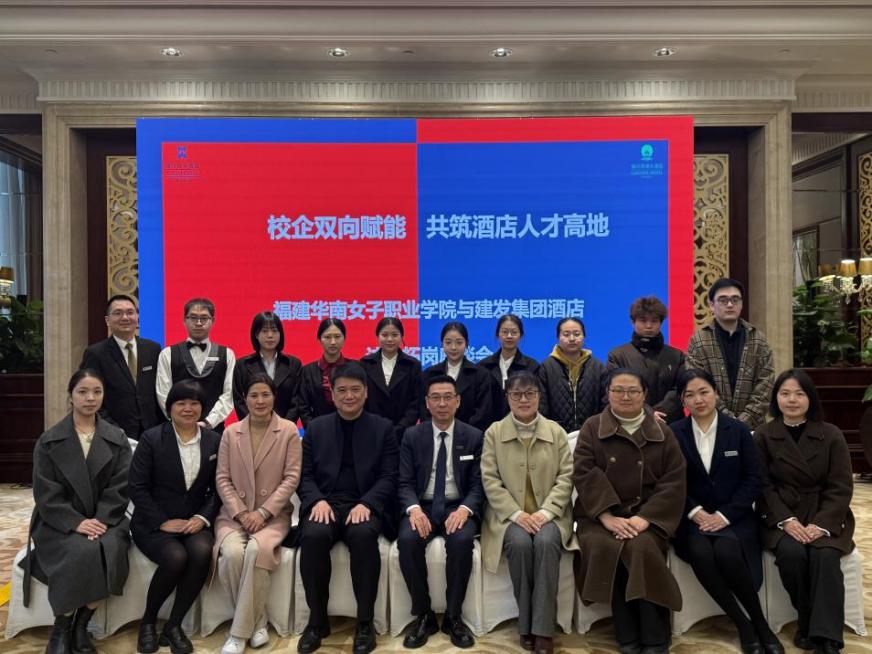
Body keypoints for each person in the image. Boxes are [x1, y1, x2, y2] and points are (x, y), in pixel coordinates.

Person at [669, 369, 783, 654]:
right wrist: (695, 512)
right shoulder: (673, 433)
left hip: (735, 516)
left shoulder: (739, 430)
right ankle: (745, 625)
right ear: (683, 400)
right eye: (690, 395)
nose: (698, 400)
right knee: (700, 551)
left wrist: (724, 515)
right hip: (691, 518)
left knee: (727, 550)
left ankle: (760, 624)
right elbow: (670, 481)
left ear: (716, 393)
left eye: (704, 392)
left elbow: (753, 479)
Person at [574, 368, 686, 654]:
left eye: (633, 391)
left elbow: (674, 480)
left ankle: (654, 634)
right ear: (608, 393)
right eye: (618, 390)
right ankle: (626, 633)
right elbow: (584, 473)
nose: (625, 396)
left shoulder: (662, 431)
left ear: (644, 394)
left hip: (648, 515)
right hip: (600, 515)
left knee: (640, 547)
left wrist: (645, 517)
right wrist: (607, 517)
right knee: (607, 546)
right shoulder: (592, 427)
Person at [23, 369, 132, 654]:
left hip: (107, 519)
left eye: (97, 391)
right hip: (58, 520)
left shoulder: (117, 438)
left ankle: (82, 625)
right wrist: (76, 522)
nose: (90, 398)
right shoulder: (49, 440)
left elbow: (121, 486)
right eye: (82, 391)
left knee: (109, 549)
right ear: (71, 396)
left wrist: (100, 519)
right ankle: (62, 626)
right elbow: (46, 493)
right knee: (78, 551)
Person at [296, 362, 398, 654]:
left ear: (366, 392)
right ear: (332, 393)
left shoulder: (383, 428)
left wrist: (368, 502)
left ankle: (364, 623)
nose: (349, 396)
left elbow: (389, 476)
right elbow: (304, 476)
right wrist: (316, 500)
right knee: (312, 536)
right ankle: (317, 622)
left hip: (363, 504)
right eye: (342, 390)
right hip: (325, 503)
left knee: (364, 536)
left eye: (355, 390)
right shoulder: (316, 429)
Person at [755, 369, 855, 654]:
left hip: (826, 512)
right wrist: (786, 520)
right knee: (792, 554)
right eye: (785, 393)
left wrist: (821, 524)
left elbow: (840, 487)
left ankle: (827, 638)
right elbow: (762, 487)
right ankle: (807, 620)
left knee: (825, 555)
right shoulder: (763, 435)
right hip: (781, 514)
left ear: (810, 398)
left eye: (799, 394)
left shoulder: (831, 434)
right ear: (776, 398)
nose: (792, 400)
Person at [480, 371, 578, 654]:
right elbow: (490, 479)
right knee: (520, 544)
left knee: (546, 542)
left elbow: (566, 477)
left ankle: (543, 630)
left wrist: (546, 512)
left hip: (551, 515)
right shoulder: (494, 432)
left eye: (529, 394)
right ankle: (526, 623)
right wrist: (516, 514)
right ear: (508, 398)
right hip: (508, 517)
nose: (523, 400)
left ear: (538, 396)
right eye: (516, 394)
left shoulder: (555, 432)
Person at [129, 379, 222, 654]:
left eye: (194, 403)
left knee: (202, 551)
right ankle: (148, 622)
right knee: (175, 557)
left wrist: (202, 518)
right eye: (181, 403)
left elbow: (219, 488)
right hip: (153, 523)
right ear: (170, 407)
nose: (188, 408)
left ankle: (174, 625)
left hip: (193, 521)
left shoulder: (214, 440)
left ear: (202, 408)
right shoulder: (151, 439)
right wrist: (162, 521)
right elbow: (137, 487)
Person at [213, 374, 302, 654]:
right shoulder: (231, 433)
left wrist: (263, 512)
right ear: (245, 400)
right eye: (254, 395)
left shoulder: (288, 430)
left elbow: (291, 478)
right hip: (234, 515)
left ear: (274, 397)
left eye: (265, 394)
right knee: (232, 554)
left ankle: (238, 634)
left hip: (273, 516)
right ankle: (257, 622)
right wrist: (241, 513)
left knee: (257, 551)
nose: (260, 401)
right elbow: (222, 478)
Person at [396, 374, 484, 649]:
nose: (442, 403)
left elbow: (479, 484)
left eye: (448, 397)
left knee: (461, 541)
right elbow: (404, 482)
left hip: (457, 505)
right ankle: (424, 615)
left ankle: (453, 617)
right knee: (408, 540)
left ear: (458, 401)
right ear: (427, 402)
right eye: (436, 397)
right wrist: (413, 509)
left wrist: (465, 509)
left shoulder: (474, 436)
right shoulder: (412, 436)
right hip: (422, 505)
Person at [686, 278, 774, 431]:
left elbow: (766, 385)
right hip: (710, 425)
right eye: (723, 300)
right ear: (711, 305)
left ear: (741, 304)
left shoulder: (758, 340)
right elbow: (698, 385)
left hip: (753, 427)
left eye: (735, 300)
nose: (729, 304)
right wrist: (728, 420)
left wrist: (744, 422)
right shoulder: (699, 341)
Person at [79, 293, 163, 439]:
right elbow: (89, 394)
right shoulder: (96, 353)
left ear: (137, 317)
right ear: (107, 320)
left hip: (152, 433)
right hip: (114, 434)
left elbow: (160, 390)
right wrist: (113, 430)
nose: (125, 318)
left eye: (130, 312)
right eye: (118, 313)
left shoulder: (153, 349)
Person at [156, 297, 236, 433]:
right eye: (193, 318)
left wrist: (208, 422)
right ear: (184, 320)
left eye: (204, 318)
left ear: (213, 321)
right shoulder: (167, 354)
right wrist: (180, 420)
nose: (198, 323)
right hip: (176, 430)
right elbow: (163, 393)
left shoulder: (227, 354)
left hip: (214, 430)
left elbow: (229, 395)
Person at [606, 296, 686, 423]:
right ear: (633, 322)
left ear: (661, 323)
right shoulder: (617, 356)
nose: (649, 326)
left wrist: (660, 411)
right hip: (631, 422)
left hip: (671, 422)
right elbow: (616, 390)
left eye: (654, 321)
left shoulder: (677, 355)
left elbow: (681, 389)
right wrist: (646, 413)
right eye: (643, 320)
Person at [421, 322, 494, 431]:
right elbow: (423, 409)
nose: (453, 347)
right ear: (442, 344)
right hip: (435, 435)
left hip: (470, 435)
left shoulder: (481, 375)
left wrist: (463, 432)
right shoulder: (429, 374)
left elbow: (483, 411)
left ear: (466, 344)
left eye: (459, 342)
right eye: (448, 342)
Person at [537, 317, 605, 434]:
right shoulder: (547, 366)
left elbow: (605, 402)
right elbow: (541, 405)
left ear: (584, 336)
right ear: (558, 337)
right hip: (556, 434)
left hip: (591, 434)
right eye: (566, 334)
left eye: (577, 334)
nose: (572, 338)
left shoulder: (597, 366)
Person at [232, 310, 302, 421]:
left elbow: (297, 399)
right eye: (264, 331)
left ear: (280, 334)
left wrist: (285, 426)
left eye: (274, 331)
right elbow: (238, 400)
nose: (270, 335)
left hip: (285, 427)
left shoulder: (293, 364)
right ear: (256, 334)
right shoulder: (243, 365)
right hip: (252, 426)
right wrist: (254, 424)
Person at [361, 317, 422, 444]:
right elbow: (361, 398)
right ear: (377, 337)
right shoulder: (365, 363)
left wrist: (401, 427)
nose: (389, 339)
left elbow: (416, 402)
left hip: (403, 434)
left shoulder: (412, 365)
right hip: (371, 431)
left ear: (402, 336)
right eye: (384, 335)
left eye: (394, 335)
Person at [478, 314, 540, 422]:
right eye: (505, 332)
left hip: (521, 423)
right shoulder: (484, 366)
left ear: (520, 335)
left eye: (514, 332)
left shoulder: (531, 366)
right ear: (498, 334)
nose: (509, 336)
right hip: (487, 426)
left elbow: (537, 400)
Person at [296, 318, 351, 428]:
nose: (333, 342)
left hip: (352, 428)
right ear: (319, 339)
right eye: (327, 337)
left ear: (344, 338)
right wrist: (314, 431)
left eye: (337, 336)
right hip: (318, 429)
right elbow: (303, 407)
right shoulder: (308, 371)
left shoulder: (356, 367)